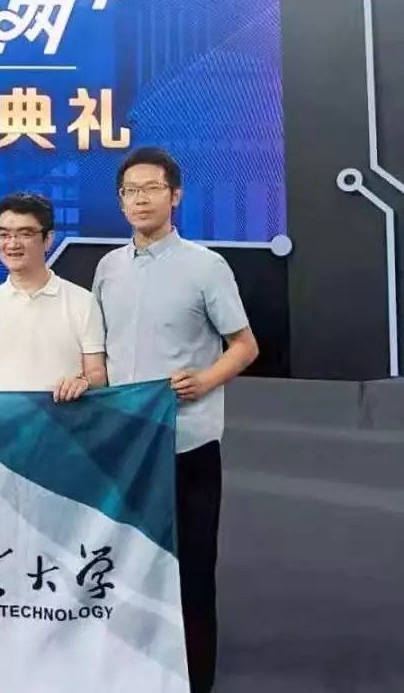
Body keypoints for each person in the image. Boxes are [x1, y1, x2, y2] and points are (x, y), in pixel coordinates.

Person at [92, 146, 259, 693]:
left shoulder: (206, 266)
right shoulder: (108, 269)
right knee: (125, 566)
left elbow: (245, 346)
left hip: (186, 445)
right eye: (130, 191)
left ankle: (194, 679)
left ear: (175, 195)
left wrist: (206, 380)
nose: (140, 199)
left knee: (191, 569)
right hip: (124, 445)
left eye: (152, 189)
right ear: (120, 201)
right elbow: (103, 354)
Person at [0, 192, 106, 399]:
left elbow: (97, 373)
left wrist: (84, 382)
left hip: (61, 417)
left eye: (25, 234)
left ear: (48, 239)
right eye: (4, 235)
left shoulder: (82, 301)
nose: (12, 244)